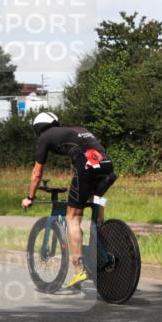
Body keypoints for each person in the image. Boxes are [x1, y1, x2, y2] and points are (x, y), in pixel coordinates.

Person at [21, 112, 118, 293]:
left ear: (38, 129)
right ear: (55, 122)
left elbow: (36, 173)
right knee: (94, 199)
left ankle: (79, 268)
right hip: (107, 167)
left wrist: (30, 197)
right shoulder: (78, 130)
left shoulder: (45, 137)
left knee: (72, 217)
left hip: (87, 167)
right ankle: (100, 229)